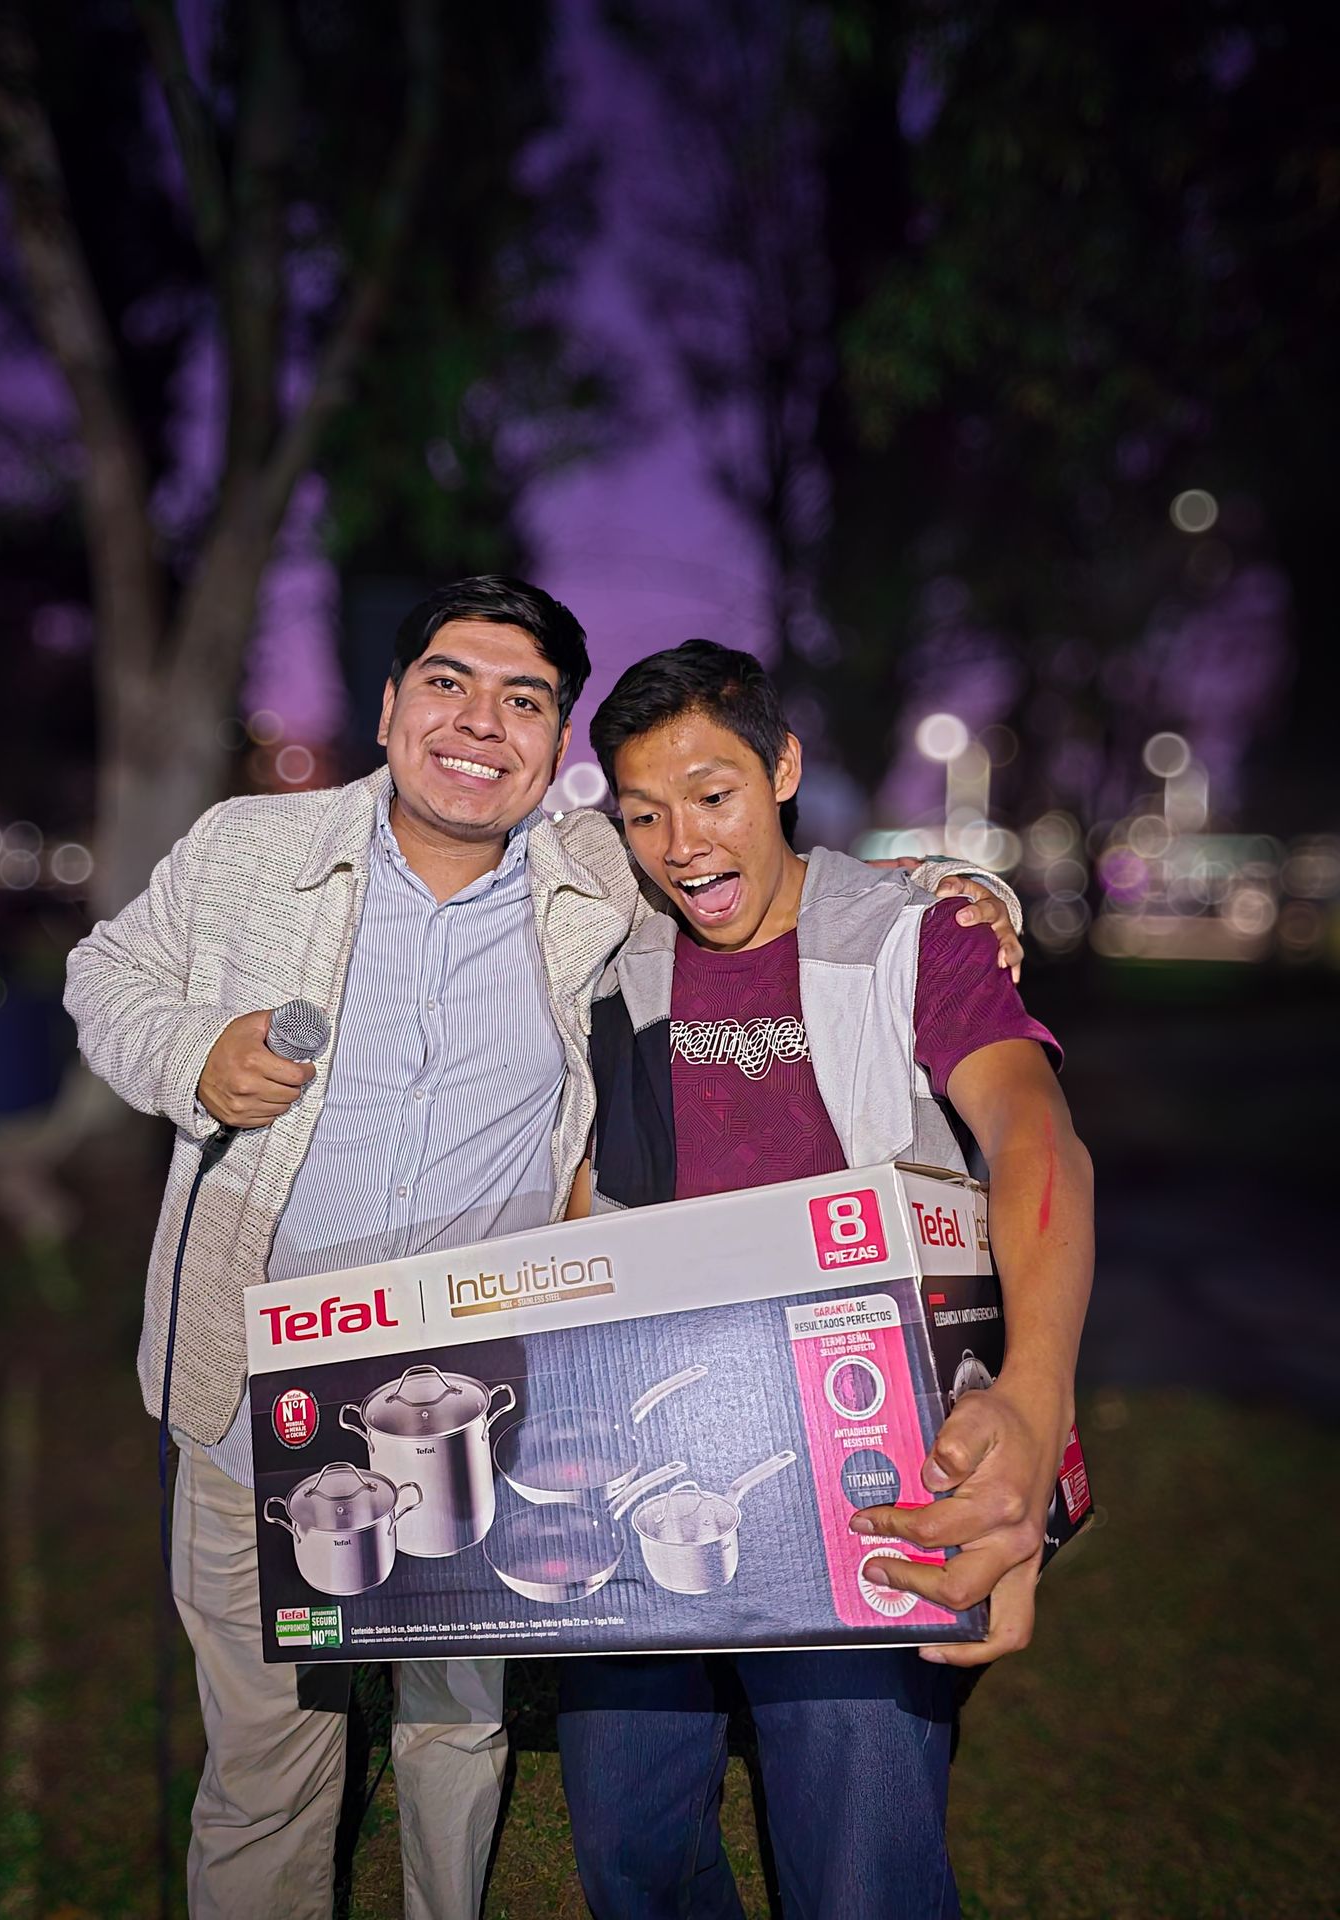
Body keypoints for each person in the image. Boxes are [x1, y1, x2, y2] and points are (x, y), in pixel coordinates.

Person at [64, 579, 1022, 1920]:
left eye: (522, 700)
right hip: (253, 1398)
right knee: (264, 1768)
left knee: (456, 1733)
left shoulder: (592, 875)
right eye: (447, 682)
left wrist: (961, 888)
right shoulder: (249, 847)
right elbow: (105, 974)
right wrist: (189, 1058)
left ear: (555, 741)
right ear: (390, 705)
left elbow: (769, 867)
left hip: (478, 1404)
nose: (479, 722)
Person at [559, 639, 1094, 1920]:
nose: (682, 844)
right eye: (644, 813)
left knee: (862, 1873)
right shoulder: (610, 953)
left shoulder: (911, 938)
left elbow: (1036, 1139)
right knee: (628, 1849)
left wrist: (1036, 1392)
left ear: (784, 769)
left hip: (865, 1465)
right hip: (658, 1450)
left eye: (713, 795)